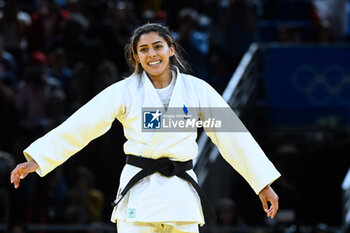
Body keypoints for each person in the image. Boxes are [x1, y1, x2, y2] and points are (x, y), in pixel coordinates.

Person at [10, 23, 280, 233]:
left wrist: (262, 183)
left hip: (180, 196)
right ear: (136, 56)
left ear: (171, 49)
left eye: (158, 46)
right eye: (144, 49)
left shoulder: (197, 90)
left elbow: (232, 135)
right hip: (140, 193)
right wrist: (38, 158)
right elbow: (83, 124)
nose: (152, 54)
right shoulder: (126, 91)